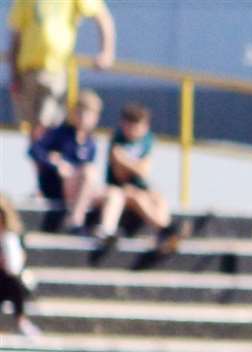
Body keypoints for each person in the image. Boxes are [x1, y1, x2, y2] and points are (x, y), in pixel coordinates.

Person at [6, 0, 114, 137]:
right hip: (28, 70)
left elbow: (102, 16)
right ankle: (40, 155)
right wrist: (14, 75)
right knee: (30, 125)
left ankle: (46, 154)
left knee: (47, 122)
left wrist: (106, 52)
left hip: (56, 69)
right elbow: (16, 36)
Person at [94, 101, 186, 253]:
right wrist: (134, 165)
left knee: (158, 197)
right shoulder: (117, 138)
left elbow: (143, 170)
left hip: (138, 187)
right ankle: (166, 230)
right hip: (119, 188)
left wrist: (126, 161)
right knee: (134, 195)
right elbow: (120, 175)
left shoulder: (147, 140)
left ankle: (164, 235)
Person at [27, 87, 103, 233]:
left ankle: (104, 229)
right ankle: (76, 220)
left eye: (88, 114)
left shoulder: (90, 142)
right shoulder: (60, 134)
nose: (83, 118)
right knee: (88, 172)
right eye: (80, 113)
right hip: (57, 185)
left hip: (78, 188)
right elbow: (34, 150)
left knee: (114, 194)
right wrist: (55, 163)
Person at [0, 192, 41, 337]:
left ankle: (21, 320)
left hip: (10, 280)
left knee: (14, 281)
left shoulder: (13, 236)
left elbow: (17, 264)